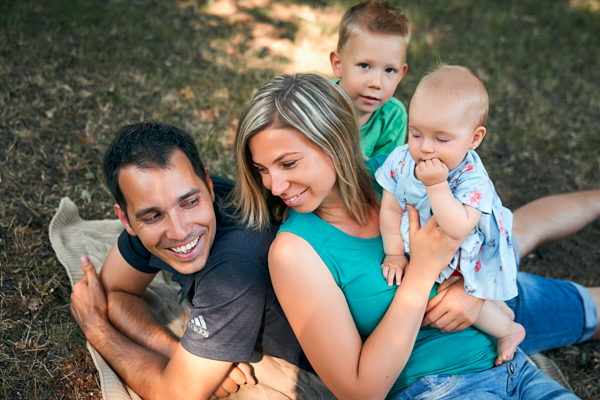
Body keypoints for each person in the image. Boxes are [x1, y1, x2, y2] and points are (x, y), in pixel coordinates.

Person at [231, 72, 600, 399]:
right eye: (262, 168)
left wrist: (474, 294)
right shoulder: (296, 251)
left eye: (288, 163)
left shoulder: (400, 172)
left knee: (583, 300)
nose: (274, 184)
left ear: (335, 142)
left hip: (507, 346)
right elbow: (361, 392)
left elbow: (484, 220)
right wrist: (423, 272)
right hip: (442, 386)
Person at [69, 122, 331, 400]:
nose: (180, 231)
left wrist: (95, 328)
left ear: (208, 185)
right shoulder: (170, 193)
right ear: (126, 219)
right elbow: (116, 292)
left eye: (189, 202)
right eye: (153, 216)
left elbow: (175, 394)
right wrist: (176, 351)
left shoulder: (237, 261)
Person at [376, 64, 525, 366]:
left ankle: (509, 329)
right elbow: (390, 207)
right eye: (416, 133)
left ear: (474, 138)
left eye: (442, 140)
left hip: (468, 246)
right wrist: (393, 253)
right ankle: (503, 310)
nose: (426, 148)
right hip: (432, 243)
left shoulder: (472, 177)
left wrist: (437, 186)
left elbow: (457, 227)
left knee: (456, 290)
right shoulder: (402, 159)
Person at [329, 0, 409, 158]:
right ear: (338, 65)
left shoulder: (393, 116)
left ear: (401, 74)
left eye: (390, 70)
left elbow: (382, 174)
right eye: (364, 66)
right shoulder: (316, 102)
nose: (376, 83)